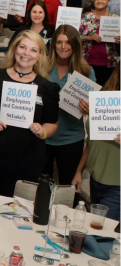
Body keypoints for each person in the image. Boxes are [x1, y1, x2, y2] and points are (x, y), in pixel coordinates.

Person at [0, 30, 60, 196]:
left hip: (27, 164)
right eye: (22, 47)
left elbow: (53, 123)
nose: (26, 53)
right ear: (15, 49)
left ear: (39, 55)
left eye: (33, 50)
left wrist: (43, 131)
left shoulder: (46, 88)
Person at [41, 25, 95, 192]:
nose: (63, 47)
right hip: (43, 136)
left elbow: (94, 107)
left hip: (71, 138)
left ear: (75, 45)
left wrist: (88, 107)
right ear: (53, 44)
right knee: (40, 187)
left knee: (68, 189)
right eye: (59, 42)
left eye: (68, 42)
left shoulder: (86, 71)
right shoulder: (42, 67)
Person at [72, 62, 121, 219]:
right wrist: (79, 171)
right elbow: (92, 142)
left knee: (102, 236)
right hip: (96, 179)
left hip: (117, 186)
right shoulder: (107, 97)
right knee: (96, 232)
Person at [80, 0, 120, 87]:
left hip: (109, 65)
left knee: (105, 92)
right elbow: (74, 36)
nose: (100, 1)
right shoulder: (85, 17)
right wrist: (90, 38)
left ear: (109, 1)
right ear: (93, 1)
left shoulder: (116, 19)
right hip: (86, 63)